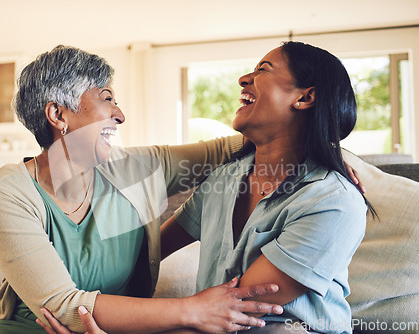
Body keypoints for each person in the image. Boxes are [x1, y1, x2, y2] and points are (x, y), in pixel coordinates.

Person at [0, 45, 284, 334]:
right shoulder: (7, 191)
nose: (120, 115)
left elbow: (224, 150)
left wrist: (315, 136)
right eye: (106, 99)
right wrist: (194, 309)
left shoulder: (133, 167)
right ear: (58, 114)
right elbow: (65, 309)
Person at [158, 42, 370, 334]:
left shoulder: (332, 200)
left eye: (263, 70)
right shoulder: (223, 179)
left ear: (305, 97)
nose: (243, 79)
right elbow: (152, 249)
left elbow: (232, 307)